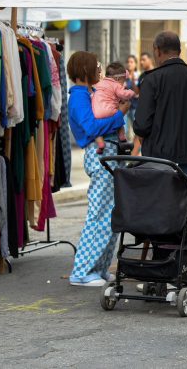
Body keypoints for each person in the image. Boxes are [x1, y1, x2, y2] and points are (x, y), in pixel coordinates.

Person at [66, 51, 130, 287]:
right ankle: (82, 271)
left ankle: (99, 267)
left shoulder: (87, 94)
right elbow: (91, 127)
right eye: (96, 67)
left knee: (109, 214)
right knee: (100, 215)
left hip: (107, 153)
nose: (100, 71)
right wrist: (120, 115)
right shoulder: (80, 97)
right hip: (101, 154)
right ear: (86, 71)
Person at [133, 31, 187, 185]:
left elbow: (141, 126)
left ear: (157, 50)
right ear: (179, 51)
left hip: (157, 163)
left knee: (158, 207)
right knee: (185, 208)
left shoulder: (151, 80)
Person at [91, 62, 135, 154]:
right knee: (119, 119)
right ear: (118, 78)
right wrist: (132, 92)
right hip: (110, 110)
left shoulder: (100, 83)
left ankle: (100, 144)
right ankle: (122, 136)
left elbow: (93, 93)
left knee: (97, 131)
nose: (123, 83)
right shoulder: (116, 84)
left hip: (96, 112)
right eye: (123, 80)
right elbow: (123, 94)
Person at [124, 55, 140, 137]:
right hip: (125, 108)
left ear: (135, 64)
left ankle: (136, 149)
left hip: (135, 107)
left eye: (131, 62)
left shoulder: (138, 76)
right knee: (124, 131)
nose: (129, 64)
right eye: (127, 62)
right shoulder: (123, 77)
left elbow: (137, 93)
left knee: (136, 131)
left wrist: (133, 80)